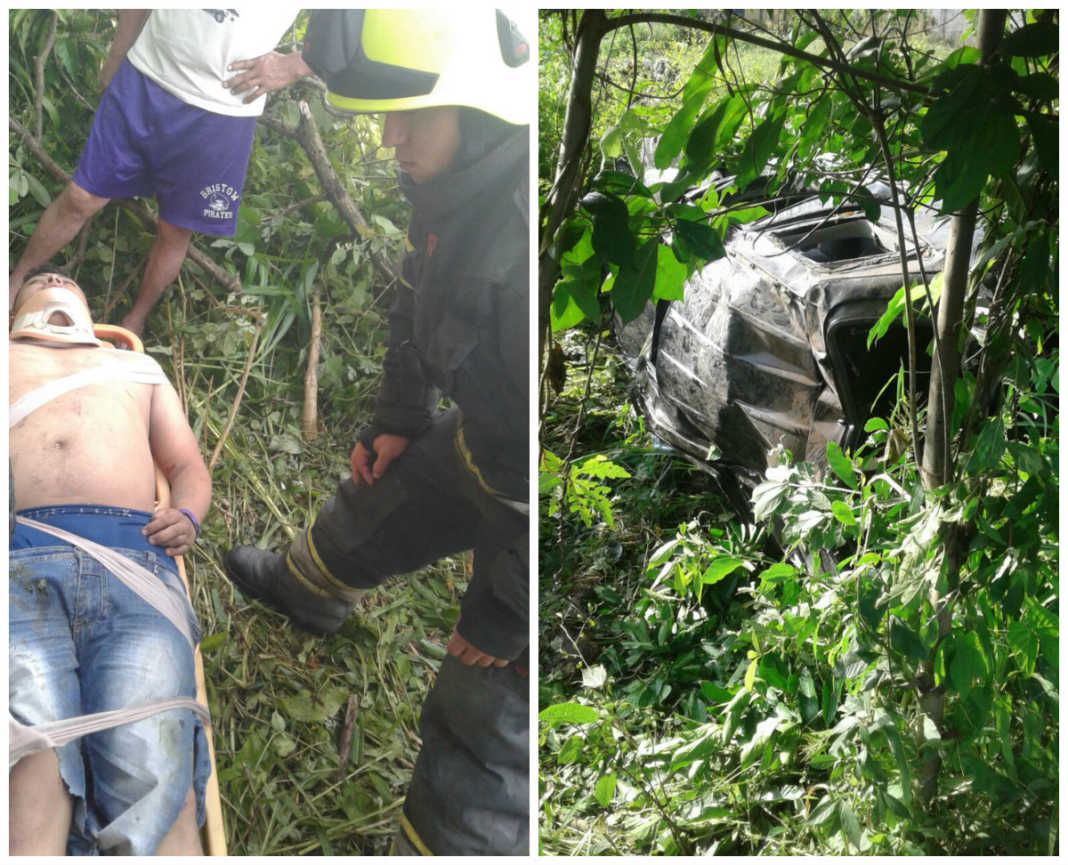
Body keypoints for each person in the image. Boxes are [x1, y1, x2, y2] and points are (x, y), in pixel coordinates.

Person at [223, 9, 532, 856]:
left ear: (478, 111)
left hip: (535, 504)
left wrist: (505, 611)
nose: (390, 138)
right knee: (373, 500)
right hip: (480, 438)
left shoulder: (529, 237)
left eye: (411, 115)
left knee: (487, 707)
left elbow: (559, 483)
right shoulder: (447, 182)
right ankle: (306, 590)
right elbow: (414, 293)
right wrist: (400, 417)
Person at [8, 268, 213, 855]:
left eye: (68, 277)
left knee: (155, 769)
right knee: (30, 765)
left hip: (133, 560)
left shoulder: (136, 368)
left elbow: (186, 469)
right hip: (15, 557)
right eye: (40, 277)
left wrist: (190, 515)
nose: (54, 276)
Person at [8, 9, 311, 336]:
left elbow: (355, 24)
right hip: (144, 76)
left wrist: (294, 65)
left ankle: (134, 321)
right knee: (81, 196)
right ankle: (15, 280)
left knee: (175, 229)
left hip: (222, 112)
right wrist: (118, 53)